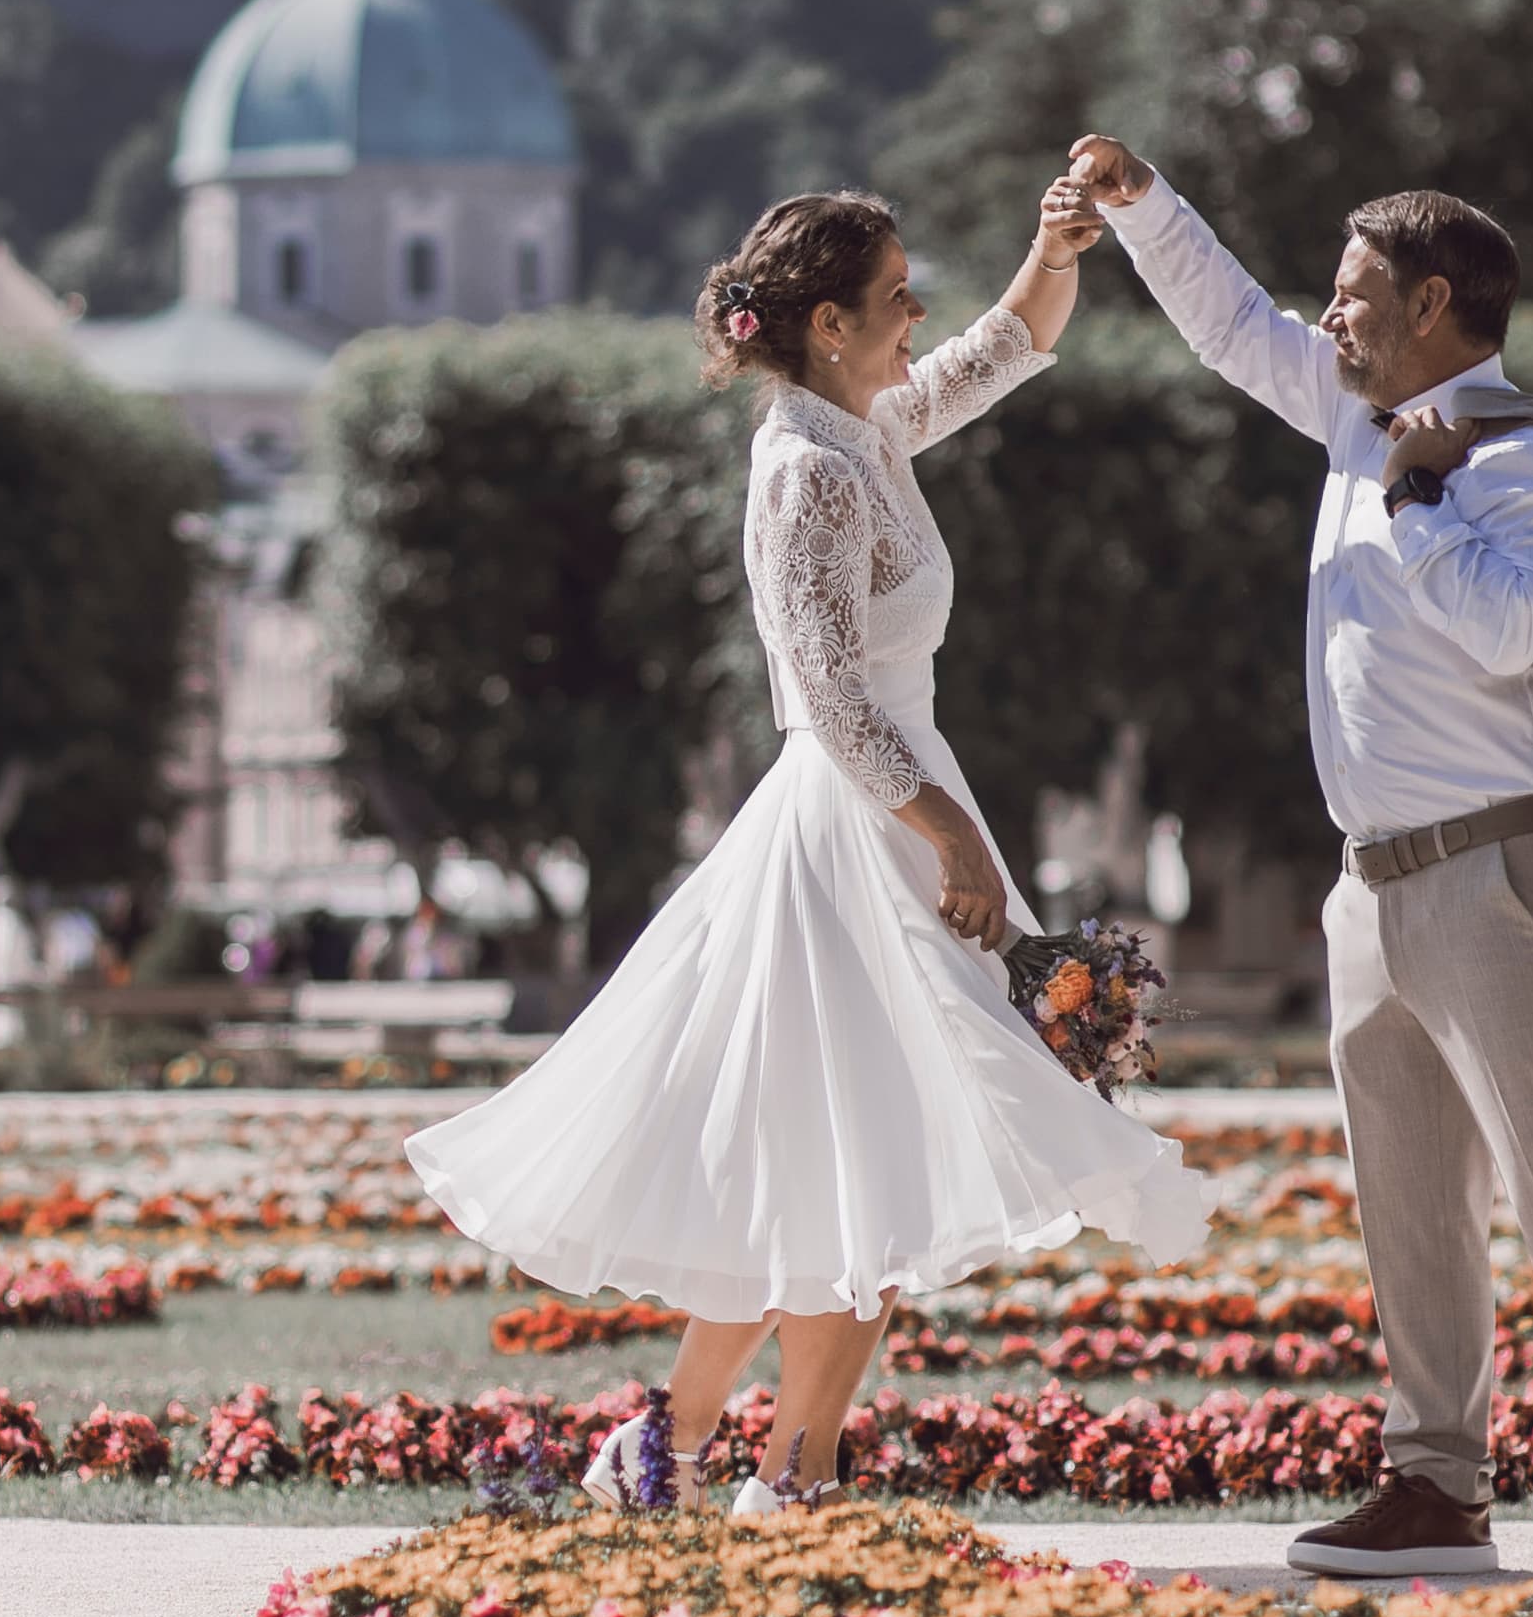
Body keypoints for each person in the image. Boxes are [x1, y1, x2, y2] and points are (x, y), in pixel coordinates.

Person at [407, 182, 1212, 1510]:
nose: (920, 313)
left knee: (822, 1163)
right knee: (874, 1162)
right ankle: (798, 1479)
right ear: (830, 323)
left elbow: (1002, 349)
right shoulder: (806, 468)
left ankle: (657, 1457)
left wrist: (1054, 250)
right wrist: (955, 839)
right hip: (861, 834)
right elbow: (825, 693)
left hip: (895, 818)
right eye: (898, 294)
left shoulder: (869, 426)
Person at [1069, 134, 1533, 1592]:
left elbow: (1507, 629)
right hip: (1371, 885)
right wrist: (1145, 204)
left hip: (1499, 878)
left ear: (1432, 304)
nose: (1329, 315)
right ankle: (1434, 1479)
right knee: (1408, 1191)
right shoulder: (1355, 417)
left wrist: (1421, 500)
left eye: (1355, 295)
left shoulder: (1519, 459)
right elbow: (1234, 326)